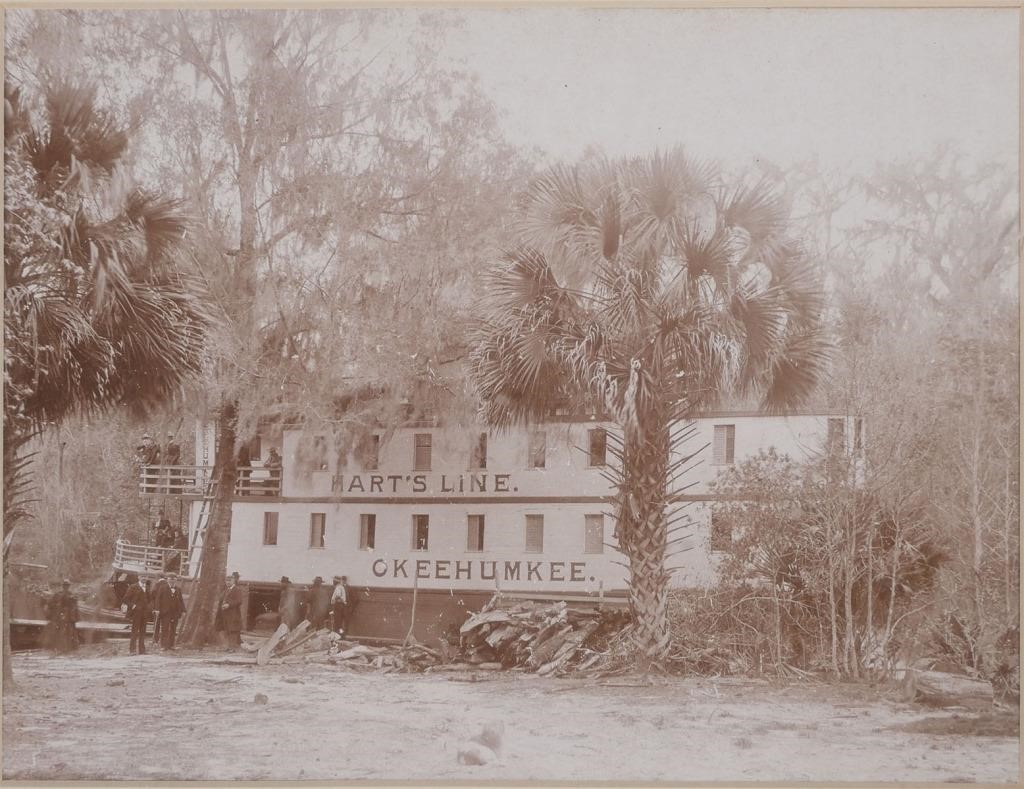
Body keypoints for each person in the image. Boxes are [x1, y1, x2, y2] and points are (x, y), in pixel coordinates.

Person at [46, 580, 79, 654]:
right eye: (65, 585)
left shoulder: (72, 595)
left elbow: (75, 606)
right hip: (60, 615)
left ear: (69, 586)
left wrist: (74, 616)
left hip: (69, 616)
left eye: (67, 586)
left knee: (70, 631)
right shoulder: (58, 594)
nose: (66, 587)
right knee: (59, 630)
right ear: (63, 586)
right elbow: (50, 603)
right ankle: (59, 646)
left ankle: (71, 647)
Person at [122, 576, 150, 655]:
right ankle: (132, 650)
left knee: (143, 632)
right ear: (139, 577)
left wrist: (149, 607)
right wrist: (133, 606)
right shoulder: (133, 587)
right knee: (134, 631)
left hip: (144, 613)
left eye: (146, 577)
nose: (144, 578)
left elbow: (150, 599)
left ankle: (142, 650)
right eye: (143, 577)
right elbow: (125, 599)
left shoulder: (147, 587)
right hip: (136, 613)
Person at [217, 572, 244, 650]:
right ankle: (227, 647)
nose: (228, 582)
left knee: (233, 631)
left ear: (234, 581)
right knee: (225, 630)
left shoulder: (237, 590)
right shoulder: (225, 590)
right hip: (224, 614)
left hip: (233, 615)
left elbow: (239, 601)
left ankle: (233, 647)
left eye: (230, 581)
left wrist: (229, 605)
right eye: (226, 581)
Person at [160, 577, 187, 650]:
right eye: (170, 580)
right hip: (165, 612)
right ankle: (163, 645)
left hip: (175, 612)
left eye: (173, 580)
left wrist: (184, 610)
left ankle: (171, 645)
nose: (172, 582)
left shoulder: (178, 589)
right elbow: (158, 599)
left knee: (173, 629)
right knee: (165, 628)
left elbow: (181, 600)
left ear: (176, 581)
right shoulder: (163, 588)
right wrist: (157, 609)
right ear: (168, 580)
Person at [150, 573, 170, 647]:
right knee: (165, 625)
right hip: (166, 608)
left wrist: (154, 607)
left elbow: (152, 595)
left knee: (156, 625)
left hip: (157, 608)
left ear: (158, 577)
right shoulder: (168, 585)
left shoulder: (157, 584)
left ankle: (155, 640)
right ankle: (164, 642)